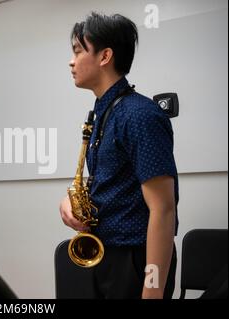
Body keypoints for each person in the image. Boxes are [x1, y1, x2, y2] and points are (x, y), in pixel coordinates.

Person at [59, 12, 179, 299]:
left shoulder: (139, 115)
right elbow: (111, 180)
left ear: (105, 56)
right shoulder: (103, 112)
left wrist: (152, 288)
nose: (71, 61)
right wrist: (70, 200)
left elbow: (163, 209)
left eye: (78, 51)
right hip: (106, 254)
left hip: (134, 260)